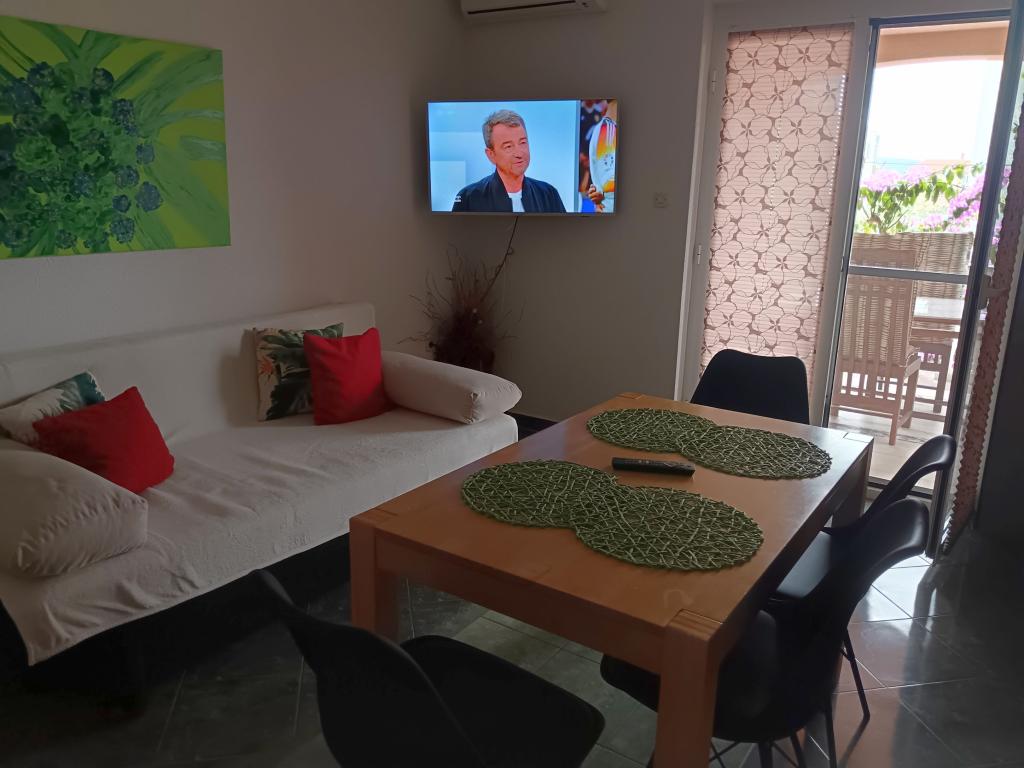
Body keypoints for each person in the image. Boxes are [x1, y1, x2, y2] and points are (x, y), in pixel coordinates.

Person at [452, 110, 566, 213]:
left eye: (522, 143)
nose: (519, 153)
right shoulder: (469, 198)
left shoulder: (548, 194)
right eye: (508, 146)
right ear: (491, 155)